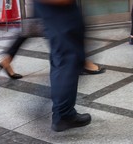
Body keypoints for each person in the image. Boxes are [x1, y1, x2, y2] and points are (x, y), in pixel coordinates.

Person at [33, 0, 91, 132]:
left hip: (52, 11)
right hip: (60, 11)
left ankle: (62, 112)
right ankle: (63, 115)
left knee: (62, 58)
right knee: (68, 59)